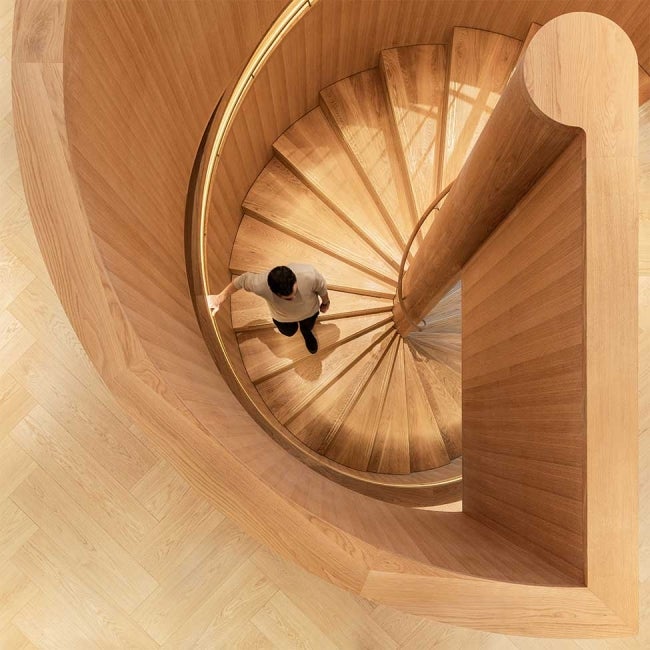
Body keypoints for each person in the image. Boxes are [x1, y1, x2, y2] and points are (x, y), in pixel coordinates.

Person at [207, 264, 330, 354]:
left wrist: (326, 302)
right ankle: (302, 330)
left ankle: (307, 333)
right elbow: (240, 281)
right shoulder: (260, 284)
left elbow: (322, 290)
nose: (293, 298)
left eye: (295, 292)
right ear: (271, 290)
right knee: (289, 332)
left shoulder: (310, 275)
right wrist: (220, 297)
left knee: (307, 327)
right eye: (287, 298)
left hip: (309, 314)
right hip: (282, 319)